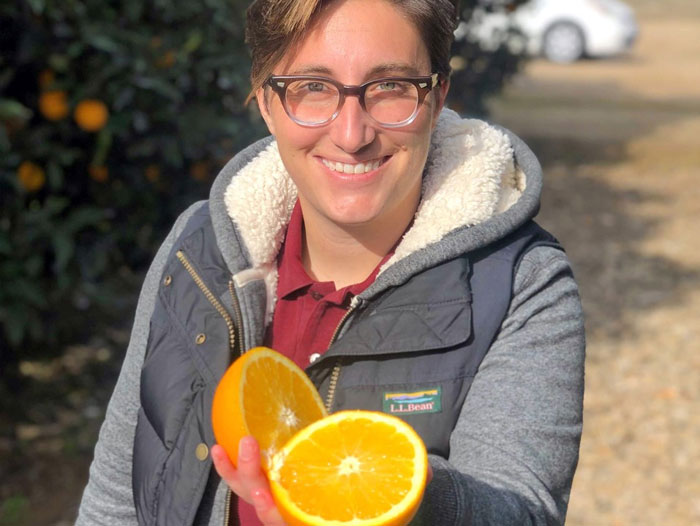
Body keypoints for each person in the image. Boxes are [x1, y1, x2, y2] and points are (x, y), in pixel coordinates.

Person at [75, 0, 585, 524]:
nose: (351, 134)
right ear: (266, 102)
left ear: (436, 99)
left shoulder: (521, 283)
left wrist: (391, 492)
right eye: (313, 87)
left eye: (390, 87)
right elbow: (116, 498)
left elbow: (521, 511)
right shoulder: (198, 249)